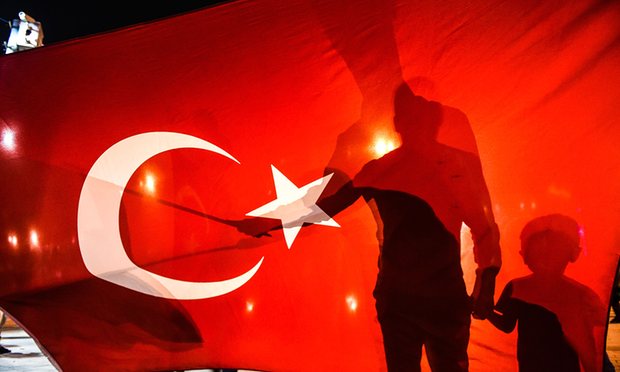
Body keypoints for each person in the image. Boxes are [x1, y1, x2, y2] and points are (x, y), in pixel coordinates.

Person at [240, 82, 501, 371]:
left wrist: (486, 279)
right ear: (397, 123)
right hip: (403, 300)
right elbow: (325, 206)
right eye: (410, 115)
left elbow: (482, 224)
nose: (417, 122)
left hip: (438, 298)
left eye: (422, 114)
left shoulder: (454, 167)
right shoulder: (381, 170)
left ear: (433, 120)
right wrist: (268, 222)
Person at [488, 214, 604, 372]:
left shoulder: (518, 288)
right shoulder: (580, 294)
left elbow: (506, 324)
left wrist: (486, 311)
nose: (547, 257)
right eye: (539, 251)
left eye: (555, 251)